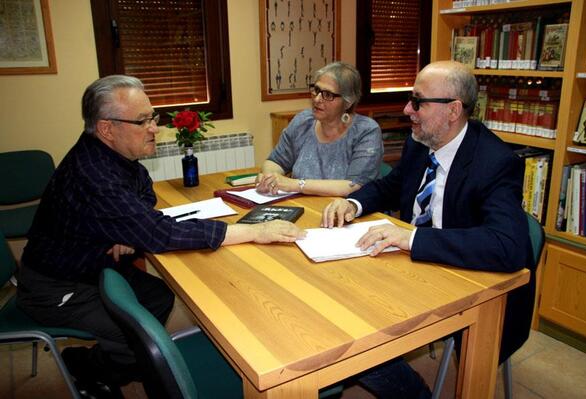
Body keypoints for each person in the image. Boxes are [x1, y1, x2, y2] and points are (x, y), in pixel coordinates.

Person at [16, 75, 305, 398]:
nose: (155, 127)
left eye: (152, 117)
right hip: (57, 286)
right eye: (143, 121)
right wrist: (254, 231)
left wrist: (126, 226)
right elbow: (159, 233)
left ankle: (109, 360)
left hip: (94, 265)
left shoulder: (115, 156)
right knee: (137, 342)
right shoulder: (93, 174)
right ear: (107, 129)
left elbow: (144, 192)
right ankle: (87, 366)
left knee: (159, 296)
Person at [322, 61, 533, 398]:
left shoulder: (495, 162)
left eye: (418, 101)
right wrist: (354, 204)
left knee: (354, 330)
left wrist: (412, 238)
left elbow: (508, 246)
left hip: (463, 279)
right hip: (411, 268)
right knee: (335, 302)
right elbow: (391, 186)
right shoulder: (420, 143)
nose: (408, 109)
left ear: (453, 110)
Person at [256, 61, 383, 197]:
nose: (317, 99)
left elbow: (353, 186)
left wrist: (295, 184)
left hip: (347, 212)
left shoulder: (366, 131)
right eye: (316, 90)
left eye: (328, 95)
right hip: (305, 206)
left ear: (348, 101)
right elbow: (276, 161)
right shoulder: (303, 121)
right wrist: (270, 178)